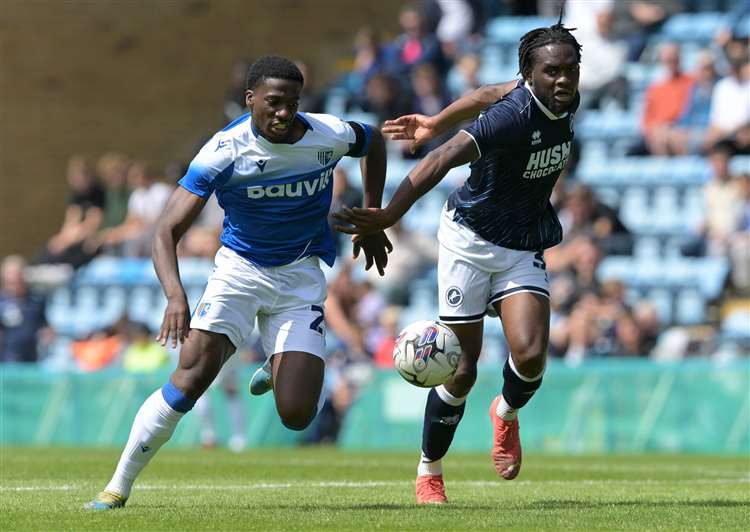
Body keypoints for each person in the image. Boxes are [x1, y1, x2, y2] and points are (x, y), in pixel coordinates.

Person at [84, 55, 391, 510]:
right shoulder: (224, 151)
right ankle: (117, 486)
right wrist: (175, 296)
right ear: (250, 101)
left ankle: (278, 358)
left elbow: (376, 143)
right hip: (239, 274)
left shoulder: (328, 134)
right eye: (273, 103)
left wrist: (372, 217)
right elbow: (165, 230)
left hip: (300, 277)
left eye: (292, 102)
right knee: (190, 377)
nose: (284, 113)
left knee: (297, 414)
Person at [334, 19, 582, 504]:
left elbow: (487, 89)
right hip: (469, 240)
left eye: (570, 70)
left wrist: (433, 118)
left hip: (521, 240)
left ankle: (505, 413)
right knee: (461, 369)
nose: (563, 80)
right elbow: (442, 158)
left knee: (530, 357)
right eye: (552, 71)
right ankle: (430, 470)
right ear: (530, 75)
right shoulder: (512, 116)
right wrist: (386, 213)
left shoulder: (557, 98)